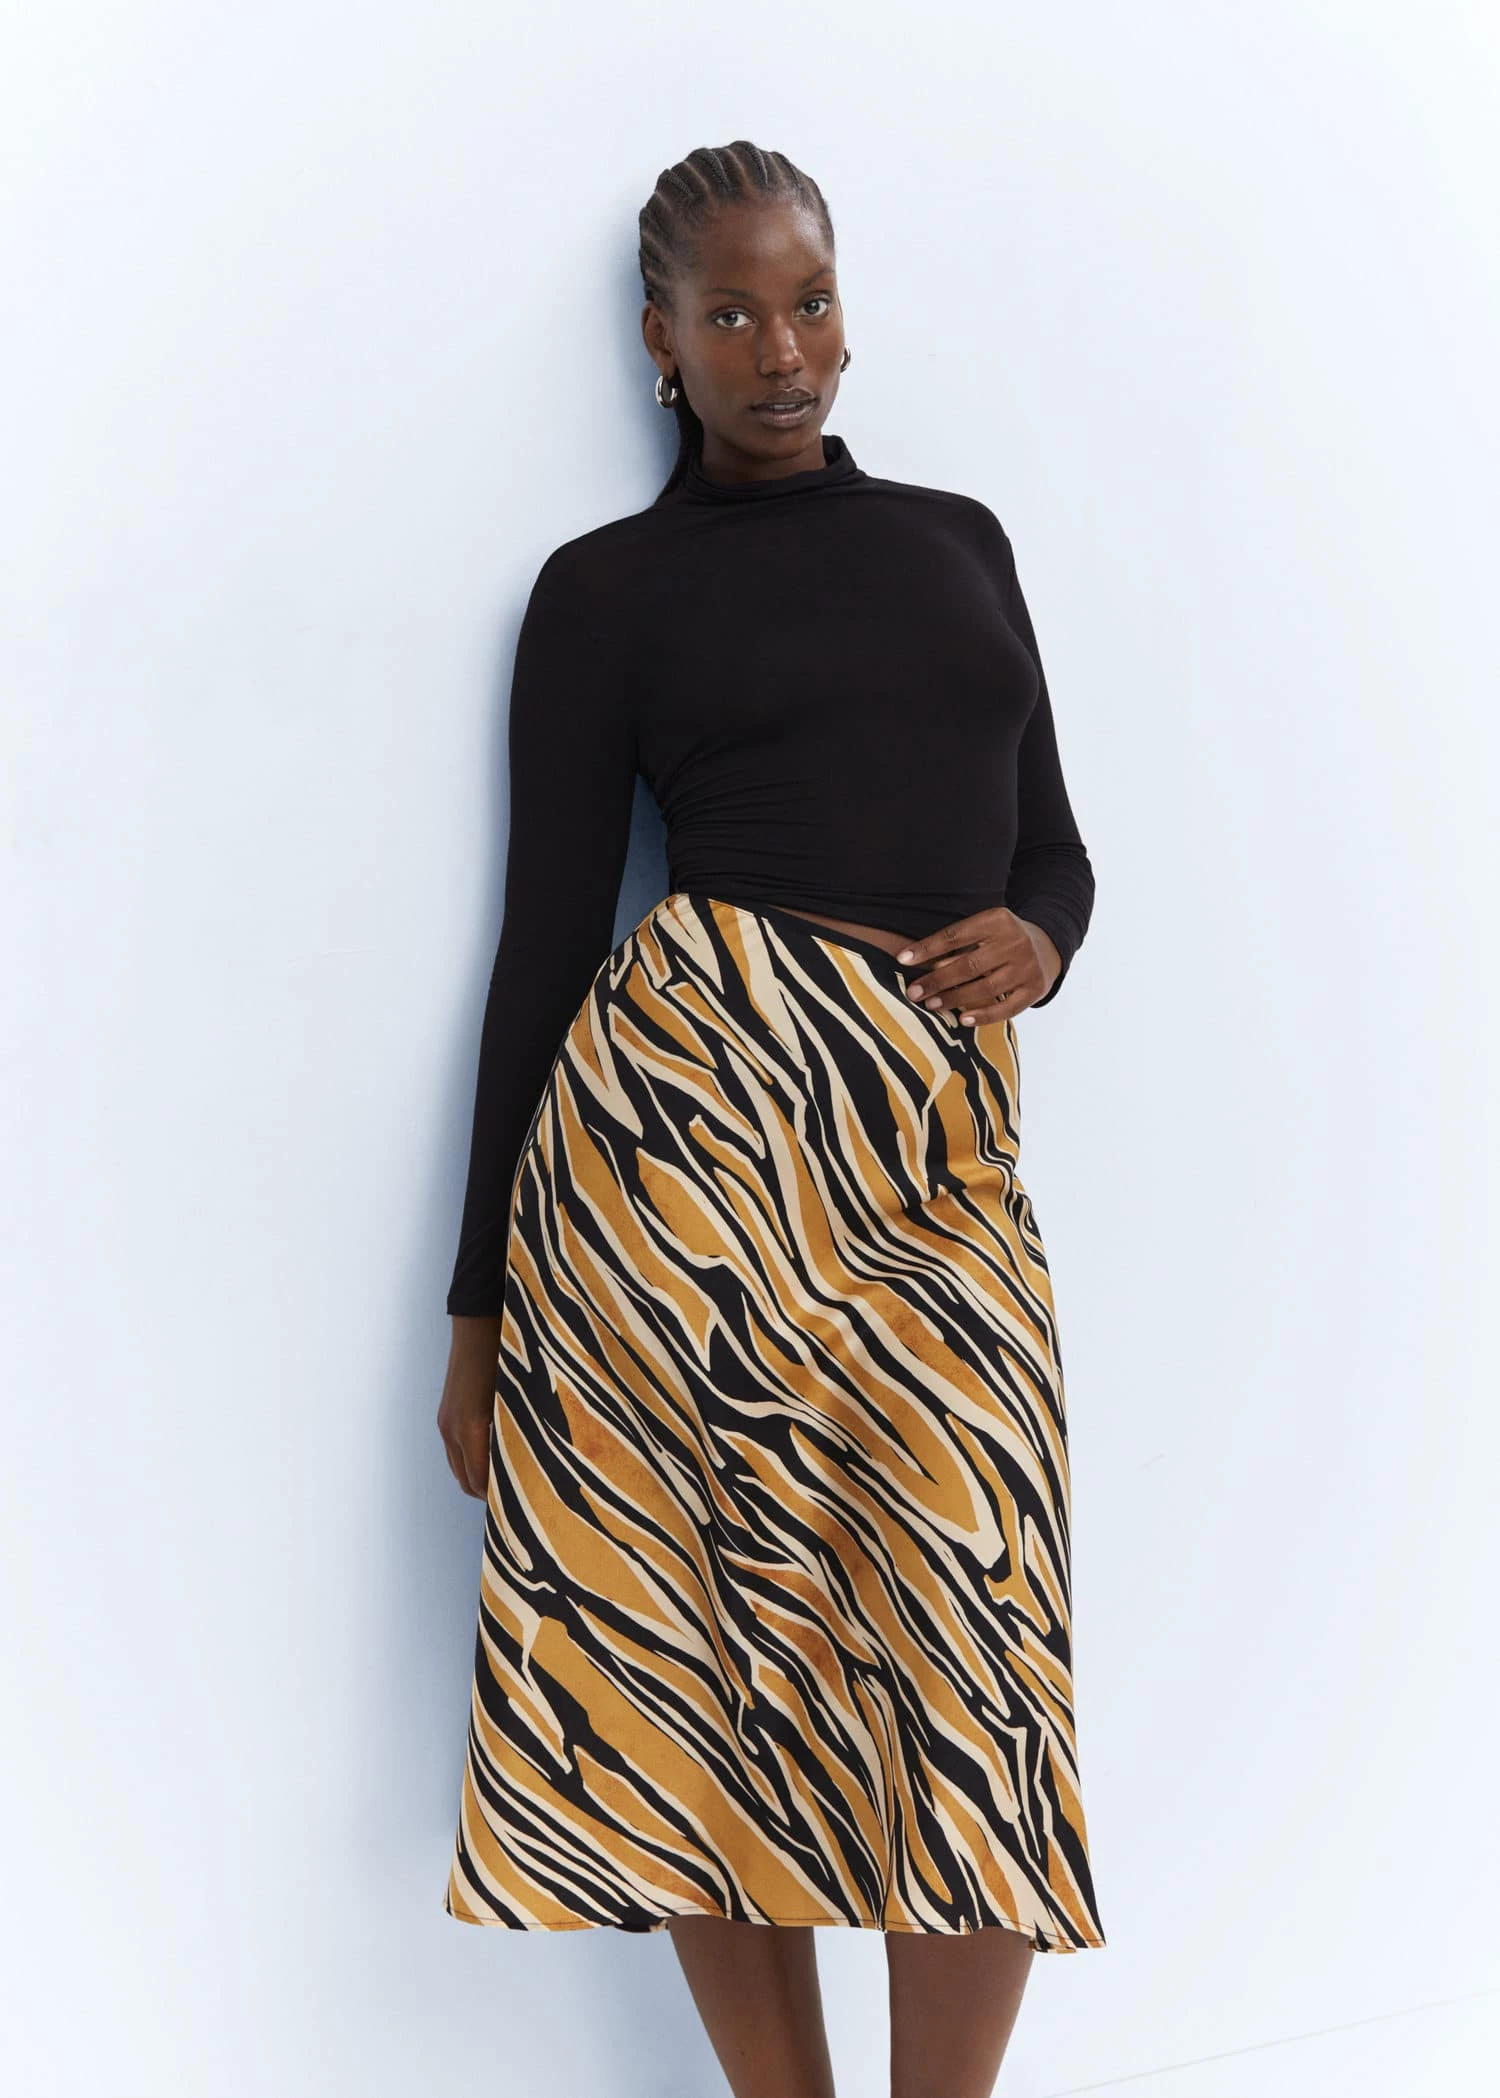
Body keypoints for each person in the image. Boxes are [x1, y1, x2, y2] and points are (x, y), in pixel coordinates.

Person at [436, 138, 1107, 2098]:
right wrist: (481, 1306)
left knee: (973, 1650)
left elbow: (1055, 851)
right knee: (714, 1665)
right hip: (686, 1166)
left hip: (933, 1159)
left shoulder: (960, 540)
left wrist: (1042, 946)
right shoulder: (604, 595)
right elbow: (545, 947)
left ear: (843, 309)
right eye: (729, 313)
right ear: (662, 341)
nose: (781, 349)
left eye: (806, 300)